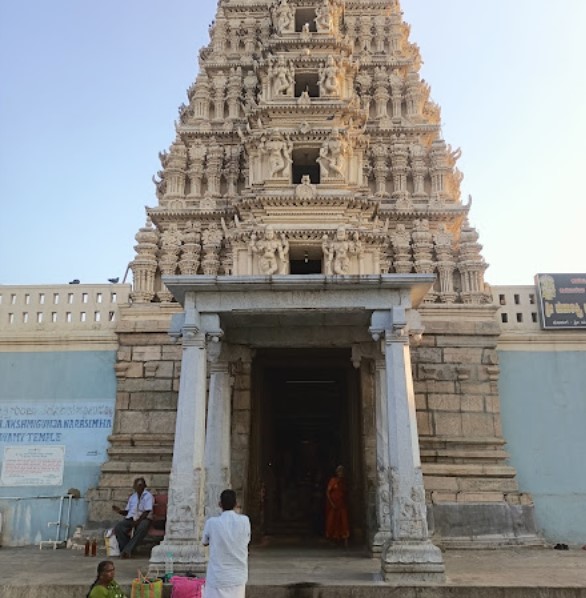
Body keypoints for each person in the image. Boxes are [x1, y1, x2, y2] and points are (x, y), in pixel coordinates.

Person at [202, 489, 251, 598]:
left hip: (217, 576)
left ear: (220, 504)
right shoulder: (245, 521)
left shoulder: (212, 522)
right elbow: (247, 539)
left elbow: (204, 542)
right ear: (236, 504)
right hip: (237, 576)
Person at [111, 477, 153, 559]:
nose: (139, 487)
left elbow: (147, 511)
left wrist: (138, 521)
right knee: (119, 527)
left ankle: (126, 551)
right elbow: (127, 511)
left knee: (142, 528)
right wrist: (119, 511)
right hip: (131, 518)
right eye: (137, 485)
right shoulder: (132, 497)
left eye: (141, 485)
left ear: (144, 486)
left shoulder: (148, 496)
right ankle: (126, 549)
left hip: (144, 518)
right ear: (134, 487)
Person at [325, 465, 349, 547]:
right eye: (339, 471)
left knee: (344, 522)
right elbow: (328, 492)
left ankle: (345, 540)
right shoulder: (333, 481)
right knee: (332, 522)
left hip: (342, 505)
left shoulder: (344, 482)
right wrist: (331, 503)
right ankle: (333, 539)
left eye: (342, 472)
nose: (341, 473)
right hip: (334, 505)